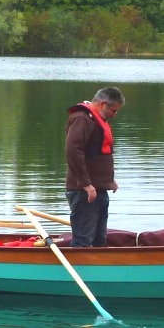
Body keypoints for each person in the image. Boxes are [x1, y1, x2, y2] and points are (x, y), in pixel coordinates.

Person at [64, 87, 125, 247]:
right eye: (114, 110)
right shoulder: (82, 119)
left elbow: (97, 155)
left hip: (99, 189)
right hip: (84, 191)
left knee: (99, 240)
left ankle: (98, 269)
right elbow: (73, 150)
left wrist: (109, 180)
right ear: (103, 104)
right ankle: (78, 268)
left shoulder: (96, 120)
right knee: (83, 241)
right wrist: (86, 184)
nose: (114, 115)